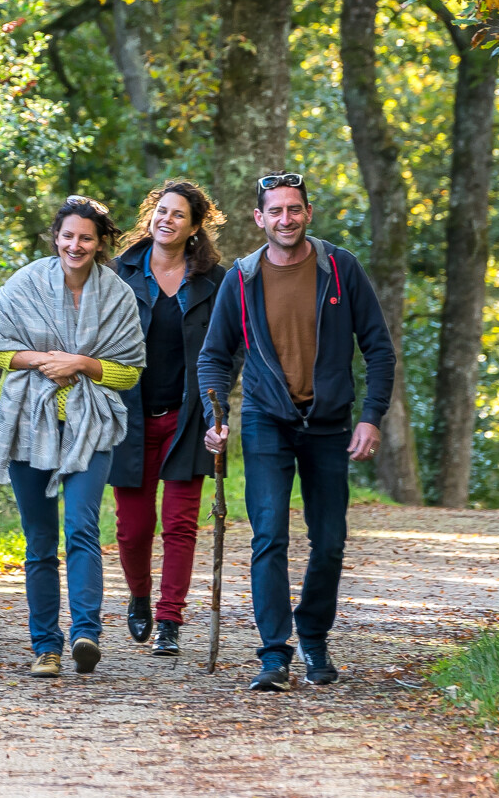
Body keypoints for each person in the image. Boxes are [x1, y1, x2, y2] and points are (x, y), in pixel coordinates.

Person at [197, 172, 396, 692]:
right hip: (266, 420)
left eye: (295, 209)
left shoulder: (339, 268)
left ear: (309, 213)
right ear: (259, 219)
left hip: (329, 424)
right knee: (269, 536)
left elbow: (378, 347)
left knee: (329, 540)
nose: (286, 219)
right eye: (276, 211)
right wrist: (214, 418)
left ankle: (313, 637)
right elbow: (214, 357)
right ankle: (273, 654)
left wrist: (371, 416)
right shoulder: (240, 279)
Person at [0, 197, 145, 678]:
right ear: (56, 237)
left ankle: (85, 634)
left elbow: (129, 372)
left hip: (91, 428)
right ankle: (46, 646)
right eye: (68, 235)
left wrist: (83, 365)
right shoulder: (26, 282)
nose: (76, 245)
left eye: (86, 238)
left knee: (82, 527)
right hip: (29, 426)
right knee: (39, 541)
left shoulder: (116, 294)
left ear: (100, 243)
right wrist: (41, 360)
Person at [110, 181, 228, 657]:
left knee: (180, 525)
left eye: (179, 215)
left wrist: (217, 414)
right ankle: (139, 595)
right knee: (132, 527)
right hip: (129, 419)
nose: (167, 220)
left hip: (188, 420)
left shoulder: (215, 282)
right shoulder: (120, 273)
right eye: (162, 211)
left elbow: (227, 351)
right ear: (150, 216)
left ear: (195, 226)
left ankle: (169, 619)